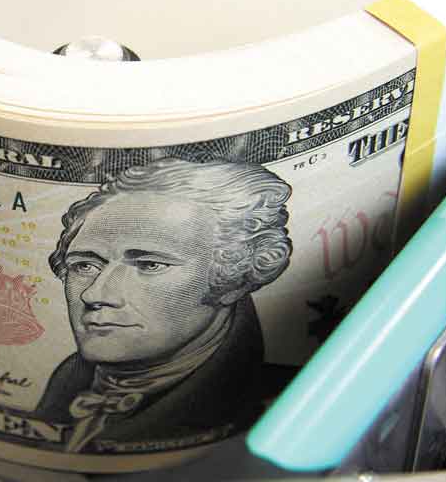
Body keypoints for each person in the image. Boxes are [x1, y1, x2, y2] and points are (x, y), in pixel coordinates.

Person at [36, 158, 293, 453]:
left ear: (234, 278)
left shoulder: (287, 399)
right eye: (85, 265)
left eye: (150, 265)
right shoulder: (63, 390)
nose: (95, 294)